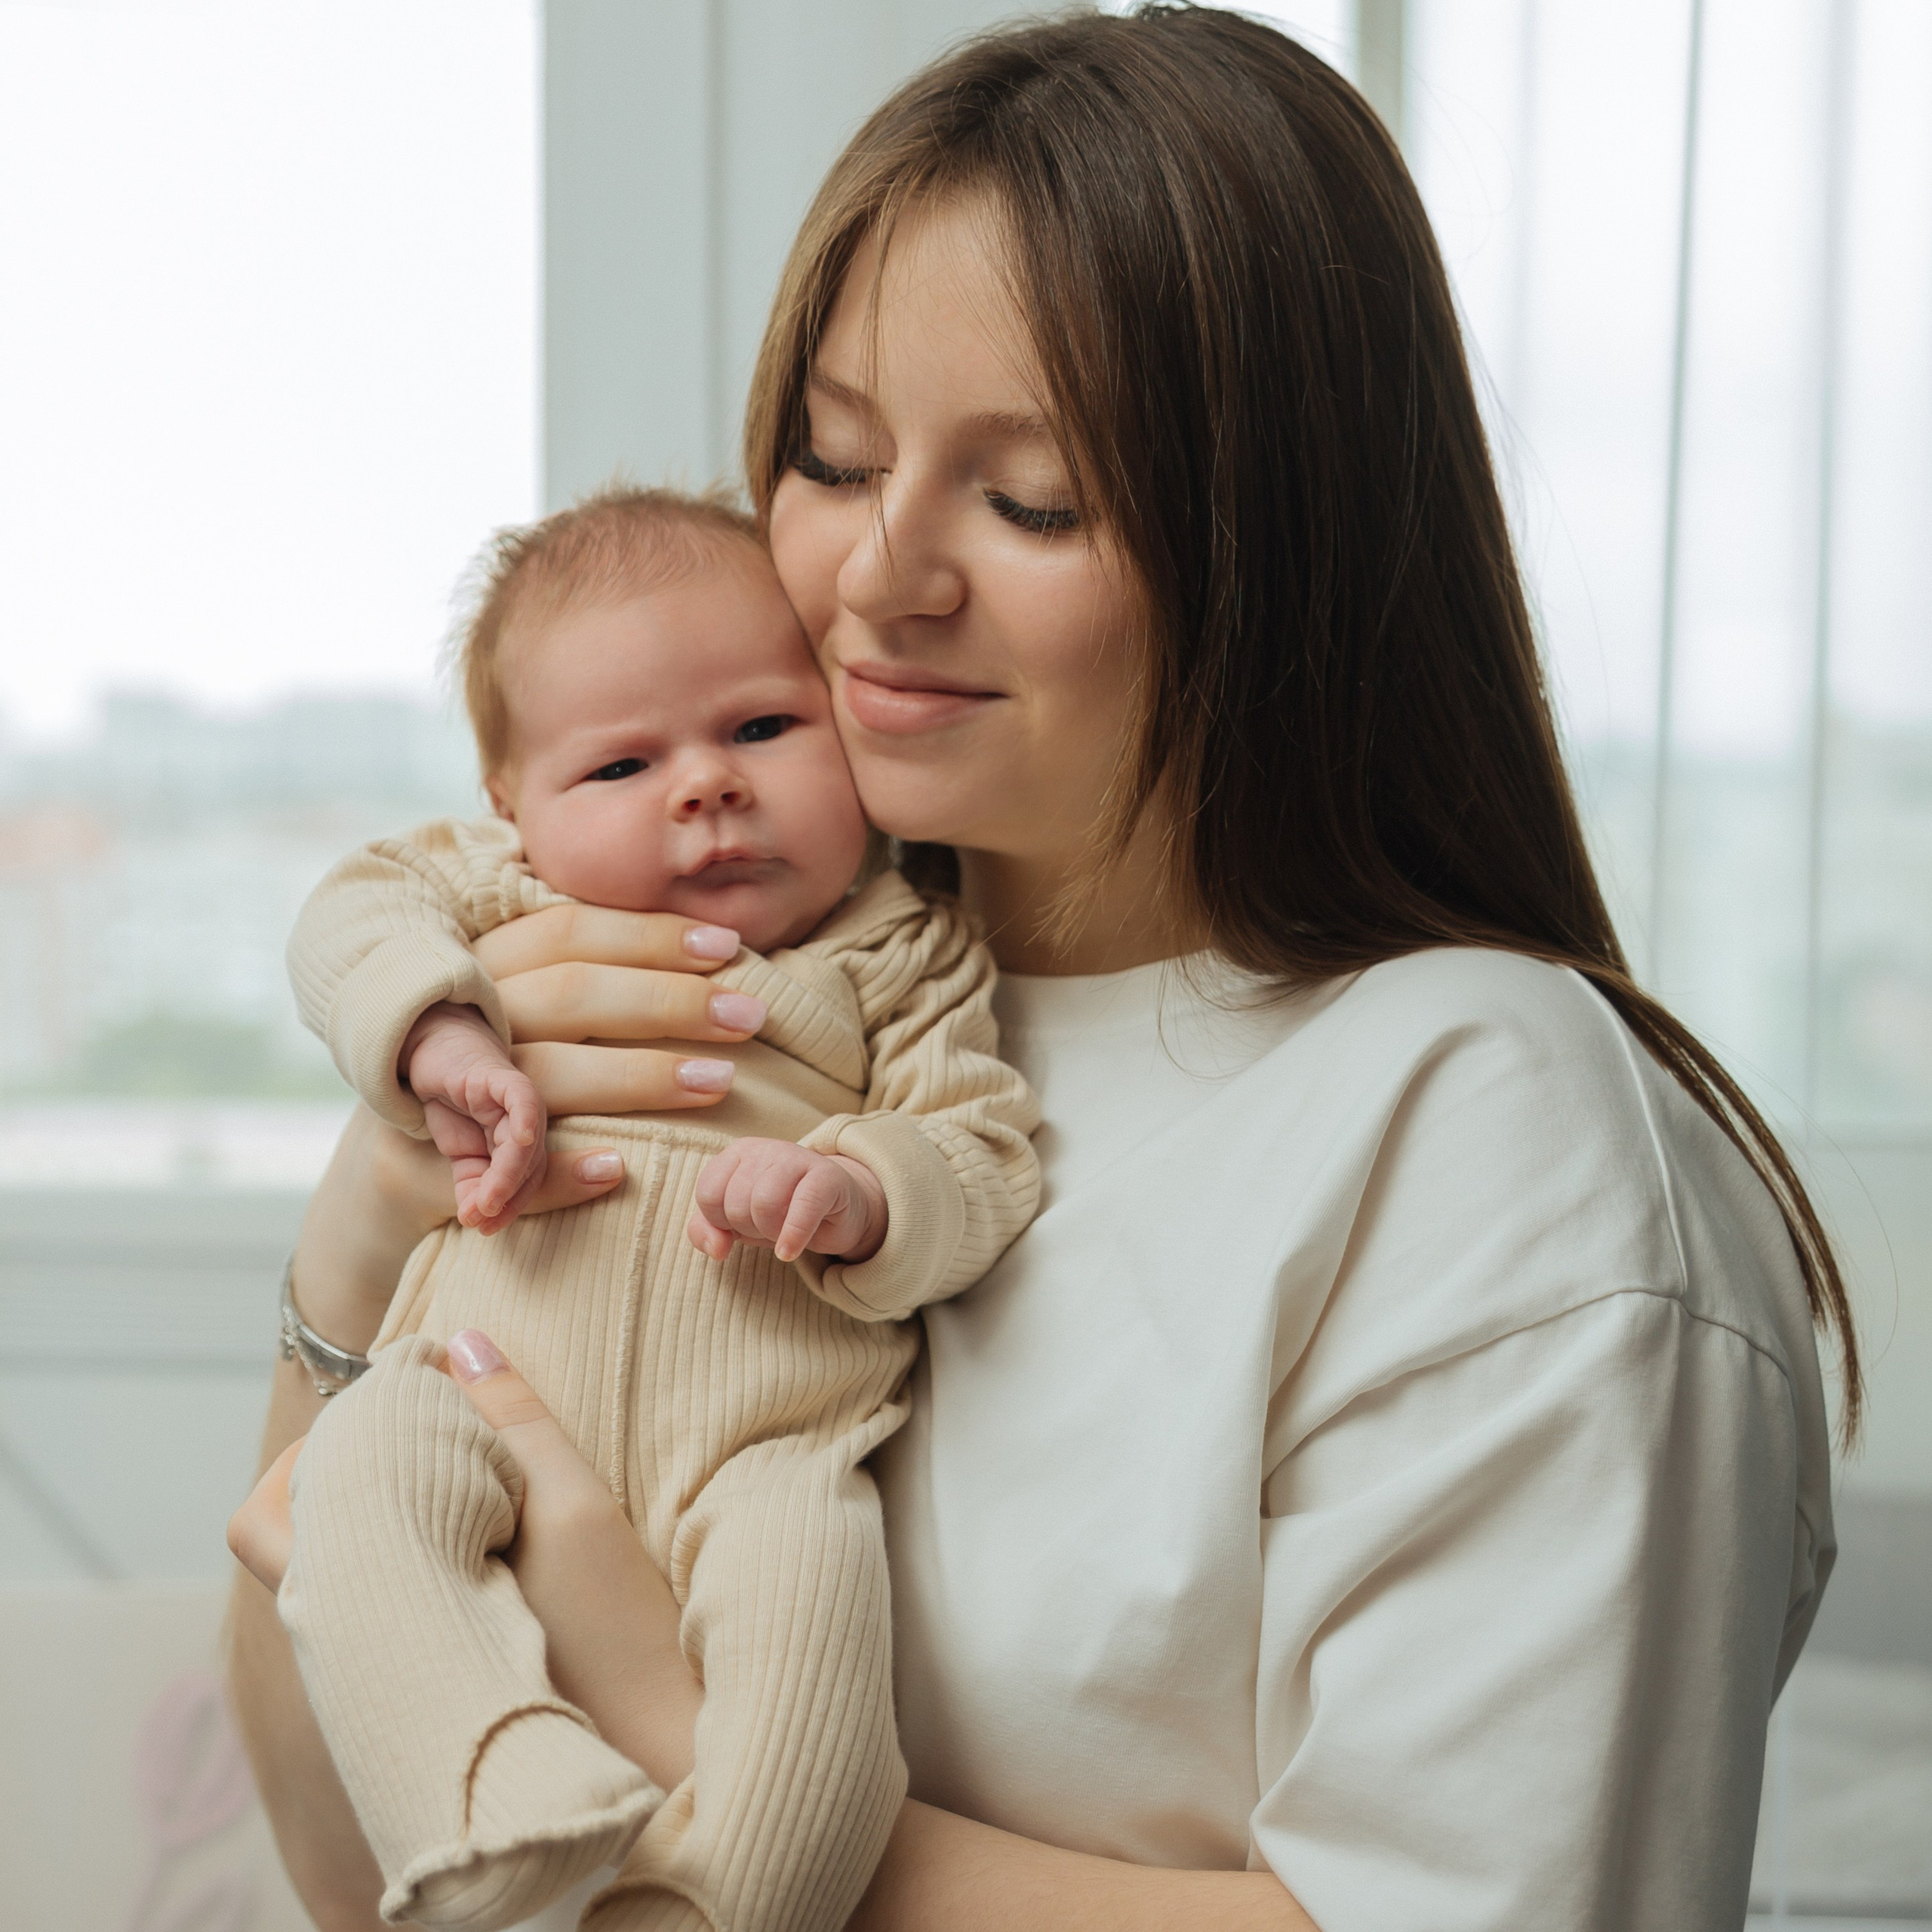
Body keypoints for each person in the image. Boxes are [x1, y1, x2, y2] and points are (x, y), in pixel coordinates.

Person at [228, 11, 1855, 1930]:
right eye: (831, 457)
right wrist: (358, 1252)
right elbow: (353, 1871)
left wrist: (689, 1740)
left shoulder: (1480, 1122)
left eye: (1029, 502)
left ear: (1282, 551)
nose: (871, 574)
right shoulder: (739, 966)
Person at [274, 485, 1038, 1931]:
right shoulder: (493, 898)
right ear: (512, 803)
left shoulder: (899, 948)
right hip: (467, 1384)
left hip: (763, 1444)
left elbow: (981, 1147)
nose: (706, 785)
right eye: (624, 762)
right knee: (356, 1478)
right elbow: (350, 916)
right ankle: (502, 1796)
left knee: (816, 1654)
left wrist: (860, 1188)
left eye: (761, 726)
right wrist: (439, 1037)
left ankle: (715, 1905)